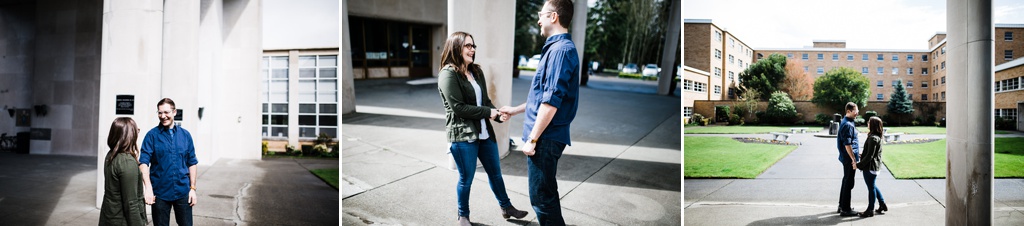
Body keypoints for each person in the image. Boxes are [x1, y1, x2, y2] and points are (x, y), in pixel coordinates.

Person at [499, 0, 580, 224]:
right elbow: (542, 98)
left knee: (542, 198)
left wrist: (533, 139)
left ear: (553, 17)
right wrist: (515, 110)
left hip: (545, 138)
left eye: (541, 14)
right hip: (545, 136)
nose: (538, 19)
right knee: (544, 195)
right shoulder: (556, 49)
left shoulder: (561, 51)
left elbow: (551, 102)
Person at [437, 31, 529, 226]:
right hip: (463, 136)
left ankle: (506, 207)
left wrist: (498, 114)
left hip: (485, 134)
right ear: (456, 47)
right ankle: (463, 216)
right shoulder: (448, 74)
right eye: (468, 45)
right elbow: (458, 108)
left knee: (495, 173)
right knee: (466, 179)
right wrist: (489, 112)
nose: (473, 49)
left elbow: (485, 101)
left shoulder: (476, 71)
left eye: (473, 46)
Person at [140, 98, 199, 226]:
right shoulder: (152, 135)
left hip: (183, 191)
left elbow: (192, 162)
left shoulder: (185, 135)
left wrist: (193, 188)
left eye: (166, 112)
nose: (163, 116)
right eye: (160, 113)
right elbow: (143, 163)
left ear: (174, 112)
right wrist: (148, 188)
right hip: (160, 193)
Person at [99, 117, 147, 226]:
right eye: (135, 130)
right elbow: (131, 204)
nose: (137, 134)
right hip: (122, 220)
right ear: (129, 135)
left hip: (109, 217)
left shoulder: (111, 155)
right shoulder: (127, 162)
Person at [857, 116, 888, 217]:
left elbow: (870, 156)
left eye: (869, 122)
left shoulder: (873, 138)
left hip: (870, 167)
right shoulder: (876, 137)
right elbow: (872, 153)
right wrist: (862, 155)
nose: (867, 123)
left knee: (871, 188)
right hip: (874, 166)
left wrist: (858, 165)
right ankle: (882, 204)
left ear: (873, 125)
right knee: (873, 186)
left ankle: (870, 209)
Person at [836, 102, 861, 216]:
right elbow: (848, 145)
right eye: (855, 111)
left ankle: (842, 205)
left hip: (847, 157)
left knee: (846, 180)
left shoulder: (848, 122)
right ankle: (845, 209)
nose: (857, 113)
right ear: (848, 111)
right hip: (848, 158)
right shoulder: (848, 125)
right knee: (849, 182)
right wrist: (853, 159)